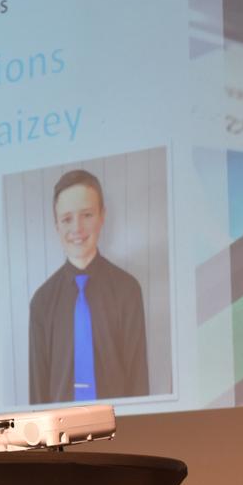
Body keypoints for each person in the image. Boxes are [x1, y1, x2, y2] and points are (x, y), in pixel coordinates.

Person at [28, 170, 149, 404]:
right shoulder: (42, 301)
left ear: (102, 216)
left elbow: (138, 379)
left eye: (87, 215)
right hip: (61, 436)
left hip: (122, 433)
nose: (77, 228)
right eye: (66, 219)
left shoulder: (128, 290)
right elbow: (38, 392)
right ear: (56, 225)